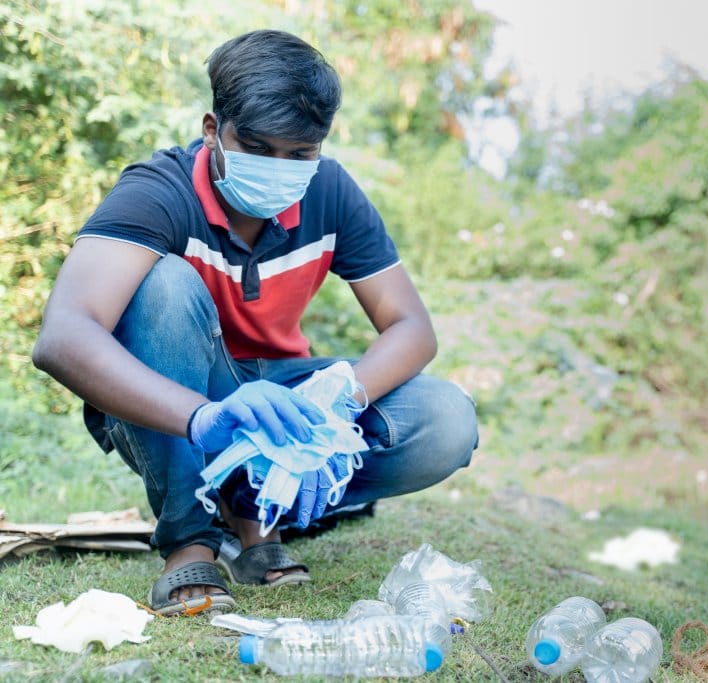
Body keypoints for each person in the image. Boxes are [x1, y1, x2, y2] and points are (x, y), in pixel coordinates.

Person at [32, 29, 478, 616]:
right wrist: (205, 416)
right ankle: (190, 541)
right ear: (213, 130)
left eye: (301, 154)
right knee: (163, 283)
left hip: (286, 391)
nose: (281, 168)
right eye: (260, 148)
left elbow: (411, 328)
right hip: (185, 399)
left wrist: (341, 397)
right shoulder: (158, 193)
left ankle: (265, 513)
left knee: (445, 420)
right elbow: (64, 336)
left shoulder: (331, 191)